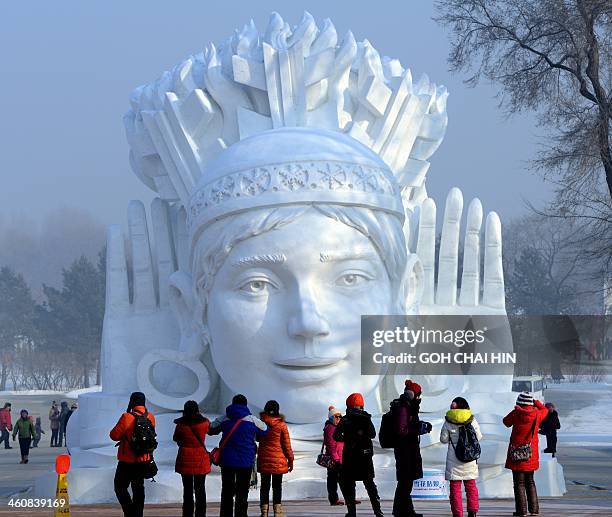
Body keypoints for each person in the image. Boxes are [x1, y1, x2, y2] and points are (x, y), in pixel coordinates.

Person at [208, 394, 268, 517]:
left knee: (227, 491)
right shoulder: (252, 419)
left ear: (233, 403)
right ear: (245, 405)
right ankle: (241, 514)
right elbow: (265, 430)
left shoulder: (225, 418)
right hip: (245, 461)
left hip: (227, 460)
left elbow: (211, 429)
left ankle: (225, 514)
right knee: (242, 492)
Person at [334, 393, 383, 517]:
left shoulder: (345, 420)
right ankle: (378, 511)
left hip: (350, 456)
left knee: (349, 485)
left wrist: (348, 437)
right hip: (365, 456)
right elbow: (372, 434)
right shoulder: (366, 418)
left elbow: (336, 436)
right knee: (370, 484)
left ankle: (352, 513)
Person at [388, 380, 431, 517]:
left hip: (408, 448)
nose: (419, 398)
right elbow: (402, 430)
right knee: (405, 482)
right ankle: (401, 511)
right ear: (412, 394)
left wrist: (422, 425)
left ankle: (405, 510)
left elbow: (409, 424)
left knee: (407, 482)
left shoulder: (409, 406)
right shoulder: (404, 407)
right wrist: (418, 429)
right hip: (404, 449)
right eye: (418, 395)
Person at [110, 391, 156, 517]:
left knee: (119, 487)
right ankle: (138, 514)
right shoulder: (150, 417)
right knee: (138, 488)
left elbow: (114, 435)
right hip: (144, 459)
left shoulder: (127, 417)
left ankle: (130, 512)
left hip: (127, 460)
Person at [503, 392, 549, 517]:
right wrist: (536, 402)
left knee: (519, 484)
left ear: (519, 403)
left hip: (516, 454)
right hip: (530, 455)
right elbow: (545, 409)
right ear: (530, 403)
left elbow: (505, 422)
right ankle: (534, 510)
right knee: (530, 482)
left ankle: (521, 511)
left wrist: (516, 410)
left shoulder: (516, 414)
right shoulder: (537, 415)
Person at [440, 397, 482, 517]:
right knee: (471, 486)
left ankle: (458, 514)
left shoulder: (448, 421)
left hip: (454, 460)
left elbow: (443, 440)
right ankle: (472, 512)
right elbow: (478, 437)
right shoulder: (472, 420)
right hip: (469, 458)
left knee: (455, 489)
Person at [173, 400, 211, 517]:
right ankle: (201, 514)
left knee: (187, 490)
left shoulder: (181, 425)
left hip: (185, 458)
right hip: (201, 459)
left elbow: (175, 438)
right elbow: (209, 431)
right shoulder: (204, 423)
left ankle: (187, 514)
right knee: (200, 489)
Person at [257, 400, 294, 517]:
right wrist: (291, 459)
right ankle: (277, 513)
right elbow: (286, 445)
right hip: (279, 460)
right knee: (277, 487)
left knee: (264, 487)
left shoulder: (260, 423)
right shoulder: (282, 425)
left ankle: (264, 512)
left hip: (264, 460)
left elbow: (257, 438)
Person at [323, 406, 345, 506]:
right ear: (331, 418)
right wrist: (337, 460)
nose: (339, 419)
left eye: (340, 417)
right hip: (334, 460)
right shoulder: (330, 429)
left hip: (340, 458)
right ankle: (334, 499)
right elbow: (332, 447)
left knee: (341, 480)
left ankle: (347, 498)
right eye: (336, 417)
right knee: (333, 480)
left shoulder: (337, 428)